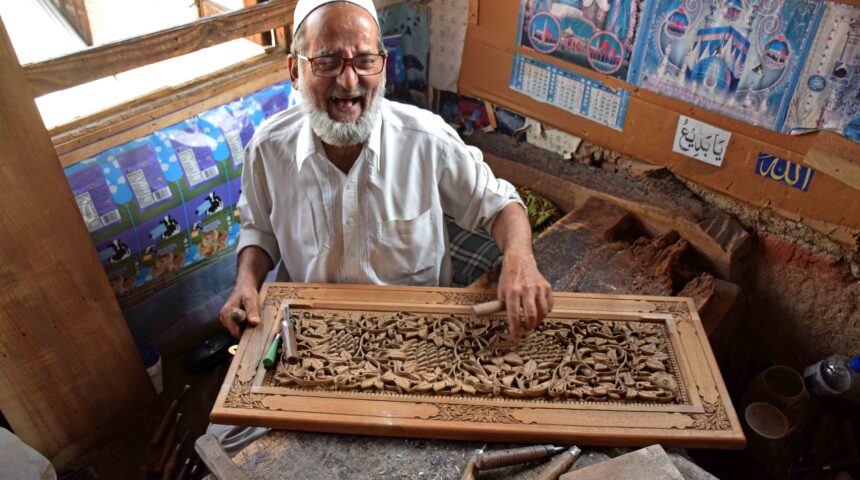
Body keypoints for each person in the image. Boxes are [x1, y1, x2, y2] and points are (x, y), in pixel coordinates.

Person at [211, 0, 553, 455]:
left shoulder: (426, 140)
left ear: (384, 66)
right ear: (295, 71)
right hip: (307, 345)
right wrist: (246, 282)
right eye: (327, 61)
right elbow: (259, 231)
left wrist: (520, 260)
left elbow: (501, 206)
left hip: (420, 348)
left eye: (365, 60)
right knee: (226, 445)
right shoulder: (267, 150)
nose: (349, 81)